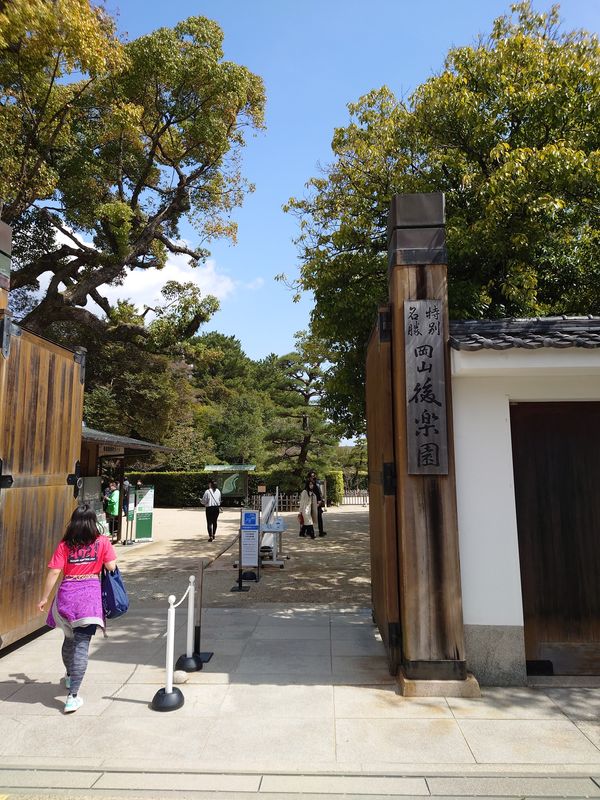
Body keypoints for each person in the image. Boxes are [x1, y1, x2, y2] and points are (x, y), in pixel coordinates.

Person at [36, 504, 117, 714]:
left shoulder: (65, 544)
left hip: (66, 597)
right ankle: (72, 697)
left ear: (73, 522)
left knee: (69, 639)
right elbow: (111, 567)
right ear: (93, 522)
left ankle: (70, 675)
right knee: (81, 646)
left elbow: (54, 572)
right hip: (89, 599)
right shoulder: (102, 541)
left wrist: (44, 598)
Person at [307, 469, 327, 536]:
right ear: (309, 477)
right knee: (310, 517)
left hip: (318, 502)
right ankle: (310, 532)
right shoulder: (308, 484)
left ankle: (321, 532)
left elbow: (319, 493)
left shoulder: (316, 483)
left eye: (314, 476)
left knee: (319, 517)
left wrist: (320, 501)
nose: (313, 477)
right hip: (311, 503)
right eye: (311, 476)